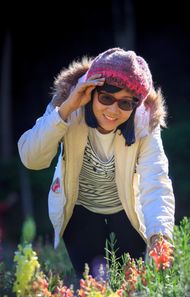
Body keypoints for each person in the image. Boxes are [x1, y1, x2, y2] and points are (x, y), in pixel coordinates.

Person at [18, 47, 175, 276]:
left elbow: (156, 181)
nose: (113, 110)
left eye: (125, 103)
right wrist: (66, 109)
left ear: (135, 106)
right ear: (91, 92)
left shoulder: (144, 123)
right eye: (106, 97)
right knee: (92, 288)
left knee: (131, 286)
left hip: (127, 212)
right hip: (81, 211)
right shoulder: (68, 106)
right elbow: (31, 159)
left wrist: (159, 236)